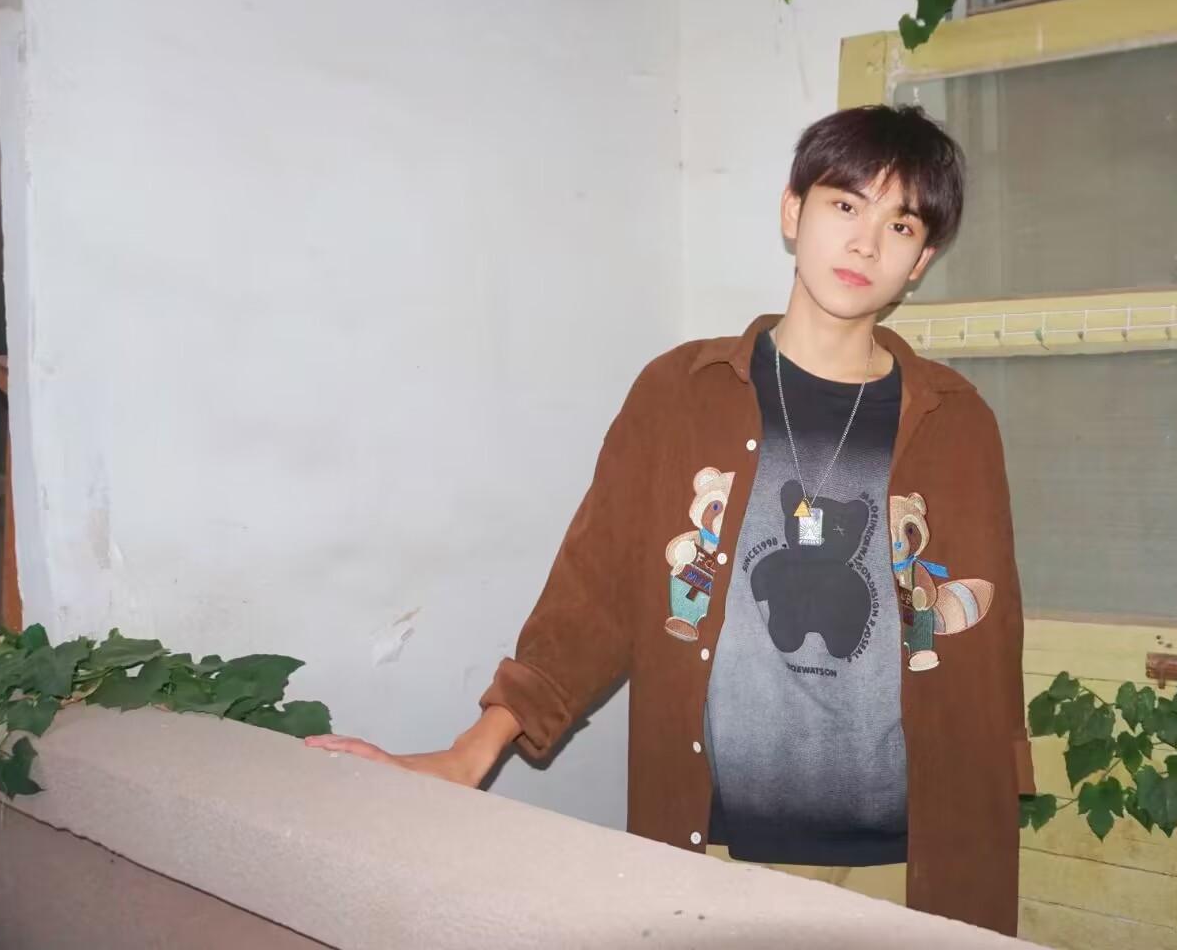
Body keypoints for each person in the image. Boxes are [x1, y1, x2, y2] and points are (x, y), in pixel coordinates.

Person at [307, 105, 1034, 935]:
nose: (866, 243)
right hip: (710, 852)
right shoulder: (680, 395)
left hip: (905, 863)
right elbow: (596, 598)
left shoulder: (955, 420)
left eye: (899, 224)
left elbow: (986, 646)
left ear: (921, 261)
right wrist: (470, 755)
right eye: (845, 205)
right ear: (792, 211)